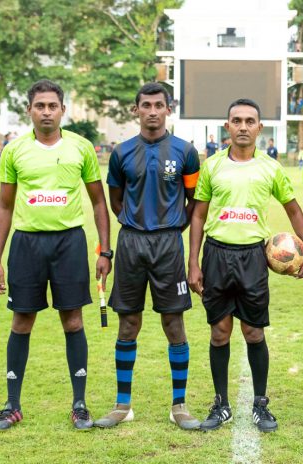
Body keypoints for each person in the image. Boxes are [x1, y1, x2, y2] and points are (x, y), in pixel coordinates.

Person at [0, 79, 112, 430]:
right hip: (27, 245)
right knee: (21, 321)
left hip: (69, 243)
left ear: (62, 110)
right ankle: (12, 404)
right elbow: (4, 206)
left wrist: (105, 250)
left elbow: (99, 202)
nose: (46, 112)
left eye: (52, 106)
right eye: (40, 106)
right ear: (29, 110)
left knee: (73, 321)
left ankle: (79, 405)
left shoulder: (81, 147)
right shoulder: (14, 150)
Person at [187, 98, 303, 433]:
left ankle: (260, 404)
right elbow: (198, 215)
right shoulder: (212, 166)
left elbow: (294, 210)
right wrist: (193, 262)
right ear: (227, 126)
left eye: (249, 121)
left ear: (259, 127)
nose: (243, 127)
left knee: (253, 331)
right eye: (237, 121)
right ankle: (221, 404)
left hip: (253, 258)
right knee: (219, 332)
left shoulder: (270, 168)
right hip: (216, 255)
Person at [94, 83, 201, 430]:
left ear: (168, 109)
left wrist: (173, 228)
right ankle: (122, 405)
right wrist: (137, 224)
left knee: (174, 322)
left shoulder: (186, 152)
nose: (152, 111)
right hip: (131, 244)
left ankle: (179, 406)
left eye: (158, 105)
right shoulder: (121, 152)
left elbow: (194, 201)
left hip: (169, 245)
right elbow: (115, 200)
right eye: (146, 105)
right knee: (128, 323)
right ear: (135, 110)